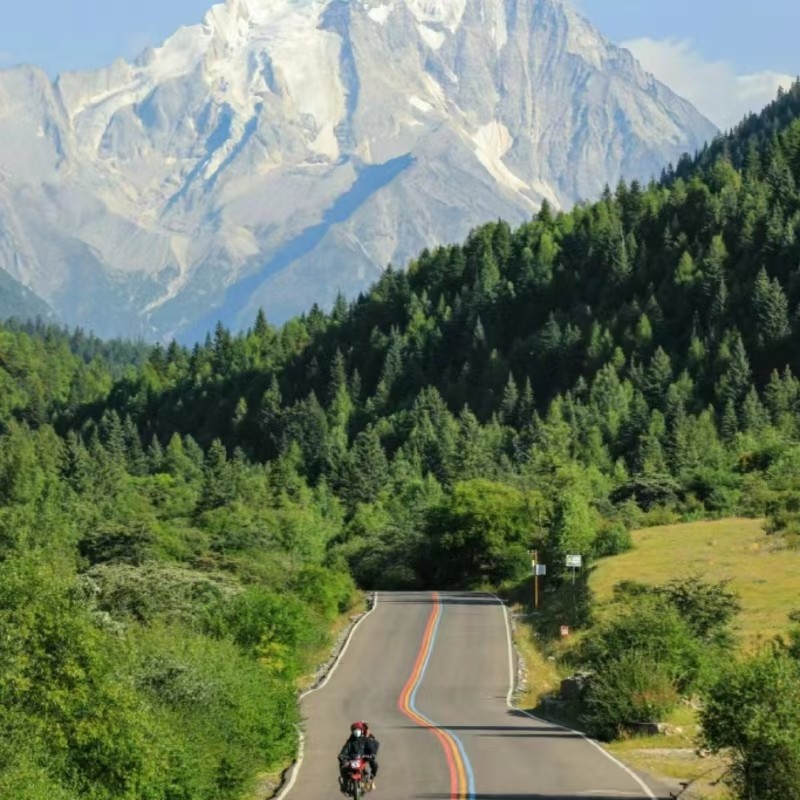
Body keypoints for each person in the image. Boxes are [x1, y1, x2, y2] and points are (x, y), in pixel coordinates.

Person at [338, 721, 380, 791]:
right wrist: (342, 756)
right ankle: (345, 784)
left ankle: (371, 779)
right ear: (352, 731)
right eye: (355, 730)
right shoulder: (350, 742)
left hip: (363, 759)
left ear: (361, 731)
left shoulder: (366, 740)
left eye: (358, 730)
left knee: (374, 764)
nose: (357, 732)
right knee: (343, 767)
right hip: (352, 760)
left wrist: (371, 755)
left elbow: (372, 747)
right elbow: (344, 751)